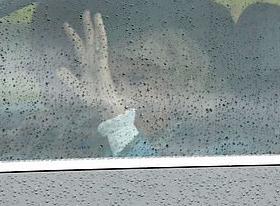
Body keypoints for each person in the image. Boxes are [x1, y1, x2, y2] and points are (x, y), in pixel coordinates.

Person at [58, 10, 211, 157]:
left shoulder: (215, 142)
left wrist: (119, 128)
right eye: (111, 81)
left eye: (136, 78)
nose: (120, 95)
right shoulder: (87, 131)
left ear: (178, 83)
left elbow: (156, 182)